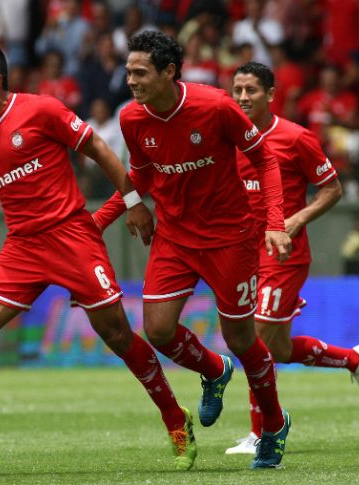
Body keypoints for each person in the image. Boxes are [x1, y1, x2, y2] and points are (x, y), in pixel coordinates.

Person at [0, 41, 198, 472]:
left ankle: (176, 419)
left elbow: (99, 149)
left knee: (119, 338)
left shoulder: (42, 110)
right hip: (23, 247)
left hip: (72, 238)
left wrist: (134, 200)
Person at [92, 31, 292, 470]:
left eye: (140, 72)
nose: (131, 81)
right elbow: (140, 174)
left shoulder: (216, 106)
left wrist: (274, 223)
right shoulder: (131, 119)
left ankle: (274, 425)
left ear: (169, 72)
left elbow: (265, 160)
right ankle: (214, 371)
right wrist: (107, 217)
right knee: (159, 331)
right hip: (174, 237)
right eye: (128, 72)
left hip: (230, 239)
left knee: (243, 339)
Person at [227, 61, 359, 454]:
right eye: (238, 90)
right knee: (277, 350)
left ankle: (262, 433)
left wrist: (297, 218)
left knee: (253, 338)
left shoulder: (295, 138)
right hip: (243, 255)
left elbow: (332, 189)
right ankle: (353, 360)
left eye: (252, 90)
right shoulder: (228, 139)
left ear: (271, 94)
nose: (243, 97)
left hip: (283, 255)